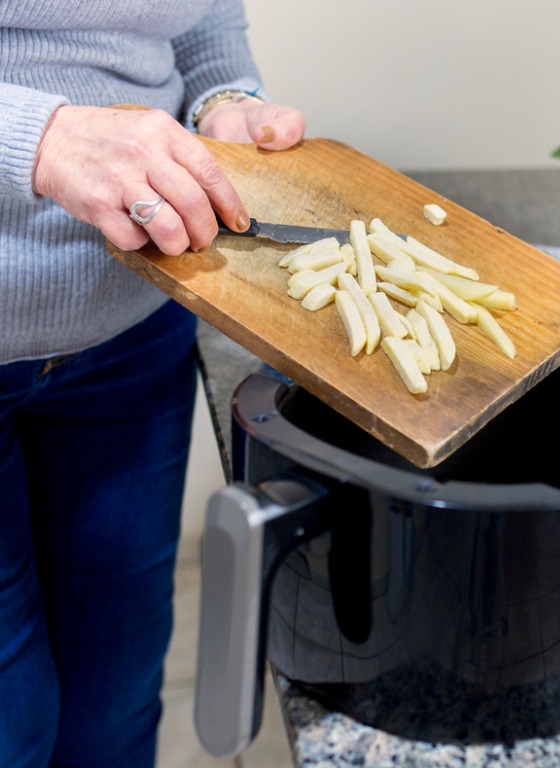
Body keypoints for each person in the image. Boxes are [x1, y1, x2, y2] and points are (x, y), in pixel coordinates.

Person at [0, 2, 306, 766]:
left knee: (116, 706)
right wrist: (38, 135)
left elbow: (199, 18)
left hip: (132, 331)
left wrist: (223, 100)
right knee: (14, 722)